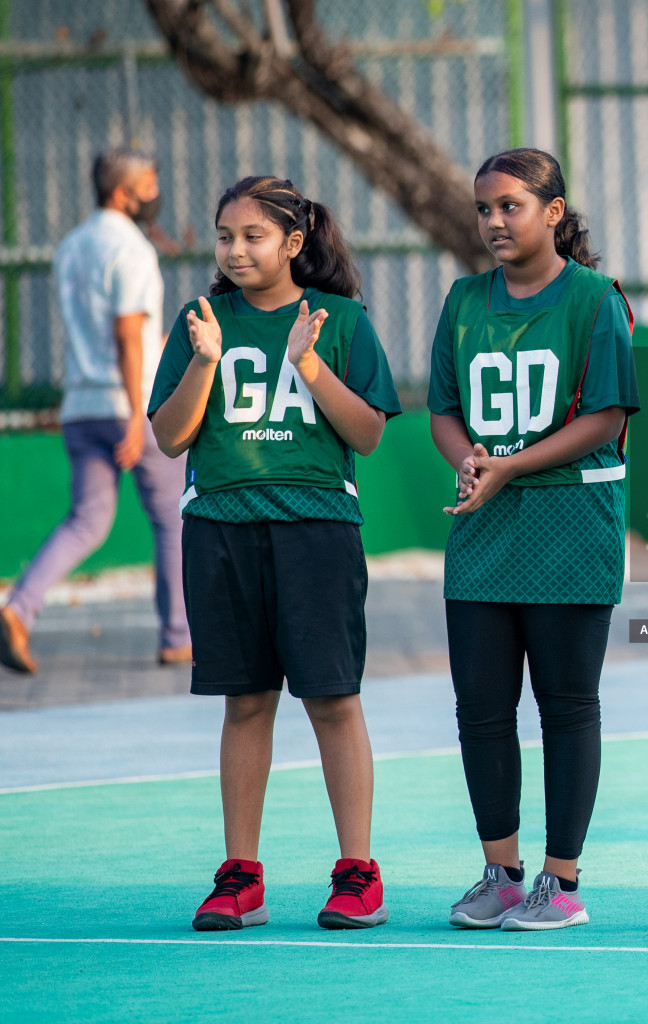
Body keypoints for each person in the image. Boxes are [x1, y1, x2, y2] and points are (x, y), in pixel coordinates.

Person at [148, 175, 401, 931]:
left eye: (253, 236)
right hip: (221, 528)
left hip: (317, 529)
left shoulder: (342, 321)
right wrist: (204, 361)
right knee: (246, 700)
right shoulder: (200, 320)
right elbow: (169, 437)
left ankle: (357, 871)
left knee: (332, 699)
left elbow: (368, 434)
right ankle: (240, 874)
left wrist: (309, 365)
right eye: (225, 236)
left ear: (293, 243)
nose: (234, 250)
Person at [430, 149, 640, 932]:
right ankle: (501, 871)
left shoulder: (594, 300)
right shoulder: (462, 301)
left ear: (553, 211)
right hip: (484, 525)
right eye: (484, 208)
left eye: (510, 206)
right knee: (481, 708)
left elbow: (608, 419)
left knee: (565, 705)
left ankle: (563, 878)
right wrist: (472, 464)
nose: (493, 222)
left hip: (570, 524)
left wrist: (511, 466)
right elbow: (444, 410)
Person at [0, 150, 190, 674]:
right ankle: (178, 635)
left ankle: (18, 609)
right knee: (174, 518)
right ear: (124, 194)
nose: (156, 194)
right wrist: (136, 413)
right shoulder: (131, 250)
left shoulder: (72, 246)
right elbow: (128, 334)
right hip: (129, 404)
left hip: (81, 403)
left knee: (87, 520)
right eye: (149, 184)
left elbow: (127, 334)